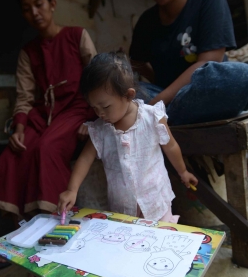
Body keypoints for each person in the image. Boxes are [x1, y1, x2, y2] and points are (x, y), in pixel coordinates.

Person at [0, 0, 97, 277]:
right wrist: (20, 128)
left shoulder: (77, 36)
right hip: (44, 113)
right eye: (27, 9)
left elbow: (97, 75)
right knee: (13, 154)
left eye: (39, 4)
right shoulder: (28, 52)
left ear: (51, 4)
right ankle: (22, 238)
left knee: (48, 147)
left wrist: (93, 118)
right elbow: (25, 96)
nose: (34, 12)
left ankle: (52, 240)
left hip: (77, 107)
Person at [58, 53, 198, 222]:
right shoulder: (100, 130)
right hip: (122, 208)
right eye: (94, 108)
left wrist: (183, 171)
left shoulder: (152, 117)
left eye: (105, 106)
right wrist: (72, 190)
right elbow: (85, 159)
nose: (100, 113)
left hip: (156, 201)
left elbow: (171, 146)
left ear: (129, 95)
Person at [129, 0, 248, 125]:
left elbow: (209, 60)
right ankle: (163, 116)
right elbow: (136, 62)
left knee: (246, 78)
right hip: (163, 93)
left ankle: (154, 117)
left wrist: (154, 106)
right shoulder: (147, 20)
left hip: (200, 90)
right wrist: (160, 88)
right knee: (115, 90)